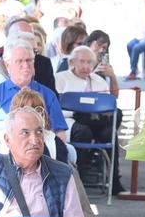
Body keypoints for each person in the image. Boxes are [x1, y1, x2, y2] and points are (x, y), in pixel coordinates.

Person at [54, 45, 126, 193]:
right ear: (72, 62)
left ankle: (114, 180)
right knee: (83, 132)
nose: (85, 66)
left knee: (110, 133)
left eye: (89, 62)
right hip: (73, 120)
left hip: (97, 122)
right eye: (81, 61)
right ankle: (79, 181)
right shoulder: (61, 78)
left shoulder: (99, 80)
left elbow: (109, 104)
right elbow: (56, 107)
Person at [0, 39, 68, 143]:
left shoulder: (48, 94)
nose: (26, 65)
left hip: (42, 147)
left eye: (29, 60)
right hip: (5, 147)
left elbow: (59, 131)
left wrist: (58, 150)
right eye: (19, 61)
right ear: (7, 65)